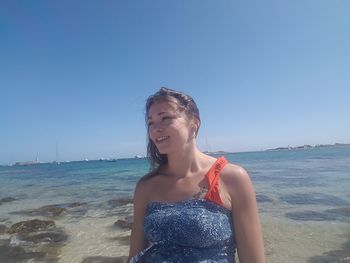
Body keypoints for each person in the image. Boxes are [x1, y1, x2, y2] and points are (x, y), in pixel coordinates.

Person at [128, 87, 265, 263]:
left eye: (165, 118)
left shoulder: (232, 178)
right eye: (150, 123)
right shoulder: (146, 186)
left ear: (194, 123)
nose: (155, 129)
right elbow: (134, 256)